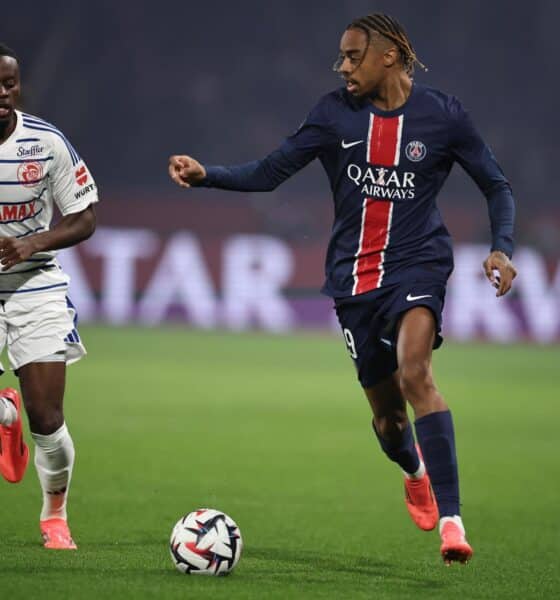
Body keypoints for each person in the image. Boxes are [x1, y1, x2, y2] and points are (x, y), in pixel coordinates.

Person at [168, 13, 516, 565]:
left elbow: (495, 184)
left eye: (354, 56)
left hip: (419, 265)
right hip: (355, 282)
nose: (344, 66)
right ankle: (415, 470)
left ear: (390, 56)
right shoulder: (333, 114)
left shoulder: (443, 116)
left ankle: (453, 522)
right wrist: (206, 173)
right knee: (388, 419)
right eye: (342, 57)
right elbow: (271, 171)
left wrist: (501, 245)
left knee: (416, 374)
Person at [0, 43, 97, 549]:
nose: (1, 93)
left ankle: (54, 516)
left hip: (34, 285)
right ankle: (4, 413)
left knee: (48, 418)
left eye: (9, 84)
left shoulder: (45, 142)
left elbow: (85, 217)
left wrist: (29, 244)